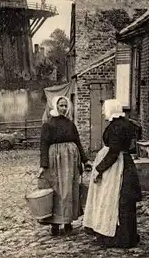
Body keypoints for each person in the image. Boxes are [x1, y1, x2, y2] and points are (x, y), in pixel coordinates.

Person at [83, 99, 142, 249]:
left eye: (104, 108)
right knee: (122, 202)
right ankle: (125, 236)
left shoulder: (118, 127)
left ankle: (119, 238)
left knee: (116, 201)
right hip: (122, 164)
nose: (102, 111)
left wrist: (99, 169)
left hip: (118, 168)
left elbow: (114, 153)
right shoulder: (122, 123)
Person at [38, 95, 91, 236]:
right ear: (55, 106)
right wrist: (43, 165)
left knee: (69, 190)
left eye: (65, 106)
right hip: (55, 160)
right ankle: (55, 223)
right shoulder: (48, 124)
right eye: (61, 105)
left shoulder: (70, 124)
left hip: (71, 161)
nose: (63, 108)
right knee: (56, 190)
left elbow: (78, 142)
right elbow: (43, 145)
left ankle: (68, 221)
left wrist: (85, 161)